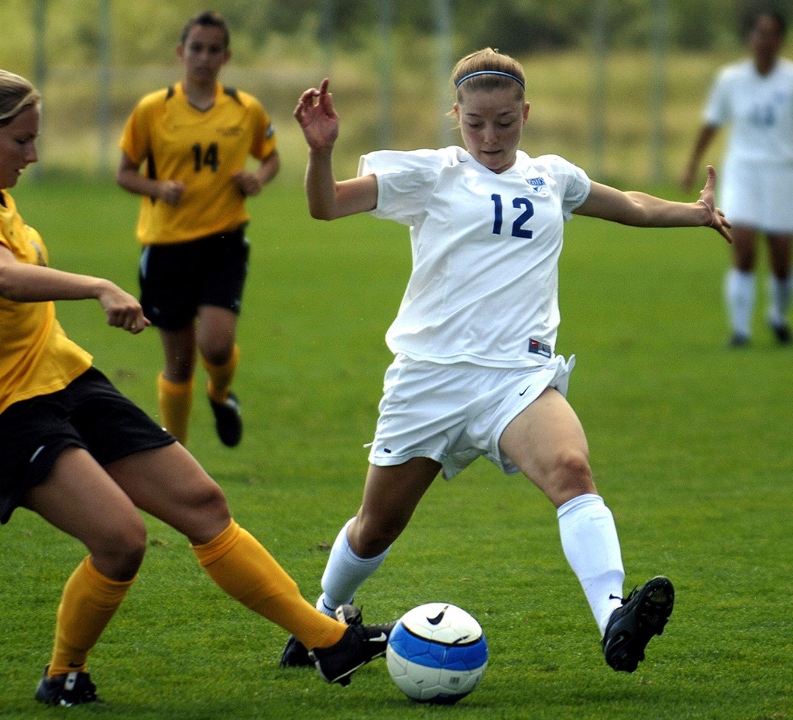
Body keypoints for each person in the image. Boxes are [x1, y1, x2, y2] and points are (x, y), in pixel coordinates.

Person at [0, 68, 389, 707]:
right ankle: (64, 673)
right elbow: (1, 277)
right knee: (121, 541)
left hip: (66, 380)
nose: (34, 154)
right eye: (22, 141)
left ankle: (328, 642)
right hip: (4, 410)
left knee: (203, 504)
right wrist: (98, 285)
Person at [281, 49, 733, 675]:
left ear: (526, 114)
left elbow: (626, 204)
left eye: (504, 121)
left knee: (572, 470)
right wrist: (321, 150)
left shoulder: (553, 177)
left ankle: (614, 617)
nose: (489, 137)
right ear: (456, 117)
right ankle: (323, 616)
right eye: (475, 123)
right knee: (376, 527)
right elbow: (325, 204)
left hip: (516, 379)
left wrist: (696, 213)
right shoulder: (430, 174)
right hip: (430, 378)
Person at [116, 10, 280, 448]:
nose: (204, 57)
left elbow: (271, 157)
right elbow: (124, 173)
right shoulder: (153, 109)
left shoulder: (245, 109)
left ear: (225, 56)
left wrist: (256, 179)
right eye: (196, 48)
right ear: (180, 52)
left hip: (223, 240)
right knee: (180, 363)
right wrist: (156, 187)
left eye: (213, 50)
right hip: (167, 245)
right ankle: (179, 457)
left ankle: (221, 394)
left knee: (218, 347)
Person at [681, 9, 793, 347]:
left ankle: (777, 315)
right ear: (750, 38)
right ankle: (740, 331)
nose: (764, 40)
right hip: (744, 171)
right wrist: (691, 165)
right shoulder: (731, 79)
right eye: (759, 33)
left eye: (771, 33)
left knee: (781, 258)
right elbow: (711, 123)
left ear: (780, 39)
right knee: (742, 248)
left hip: (782, 172)